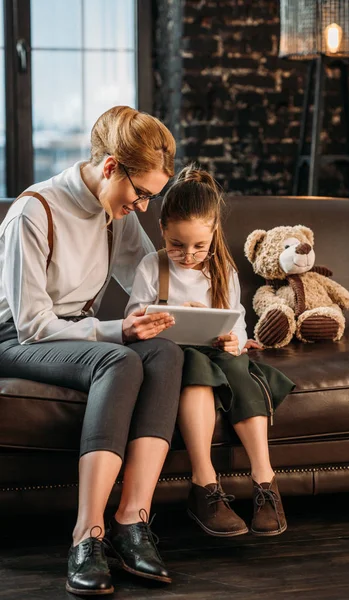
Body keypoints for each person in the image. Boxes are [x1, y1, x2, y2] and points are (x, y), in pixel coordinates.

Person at [0, 106, 184, 596]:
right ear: (109, 168)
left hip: (77, 332)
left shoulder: (116, 213)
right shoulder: (32, 213)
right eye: (141, 193)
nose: (143, 206)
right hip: (18, 338)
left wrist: (200, 321)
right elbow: (34, 325)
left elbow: (146, 284)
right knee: (119, 357)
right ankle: (87, 535)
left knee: (165, 353)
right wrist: (118, 332)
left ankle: (132, 521)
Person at [126, 165, 295, 540]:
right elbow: (133, 319)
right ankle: (205, 483)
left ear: (214, 233)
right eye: (177, 245)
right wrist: (159, 321)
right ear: (162, 232)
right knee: (194, 363)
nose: (188, 255)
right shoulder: (151, 267)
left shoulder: (223, 270)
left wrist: (234, 339)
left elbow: (235, 321)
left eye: (199, 246)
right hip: (175, 354)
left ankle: (265, 479)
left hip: (216, 351)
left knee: (239, 367)